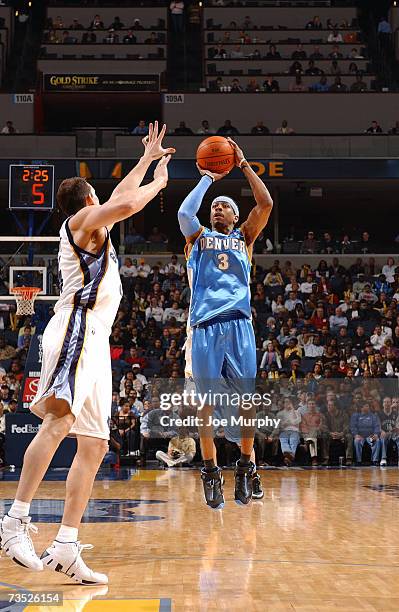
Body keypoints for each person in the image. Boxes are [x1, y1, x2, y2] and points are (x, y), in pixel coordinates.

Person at [0, 122, 175, 583]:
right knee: (59, 422)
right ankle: (14, 521)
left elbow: (118, 195)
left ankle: (66, 544)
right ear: (88, 202)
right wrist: (158, 181)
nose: (106, 201)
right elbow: (125, 202)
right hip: (76, 327)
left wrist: (146, 157)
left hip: (95, 337)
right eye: (98, 197)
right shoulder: (79, 224)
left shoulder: (96, 221)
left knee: (95, 445)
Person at [178, 137, 273, 508]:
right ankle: (210, 470)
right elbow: (186, 215)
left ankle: (246, 466)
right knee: (206, 404)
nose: (218, 208)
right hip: (203, 328)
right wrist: (206, 180)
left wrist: (245, 165)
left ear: (235, 217)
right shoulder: (197, 239)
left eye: (224, 206)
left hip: (240, 327)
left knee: (247, 402)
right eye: (215, 206)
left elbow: (265, 204)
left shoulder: (244, 238)